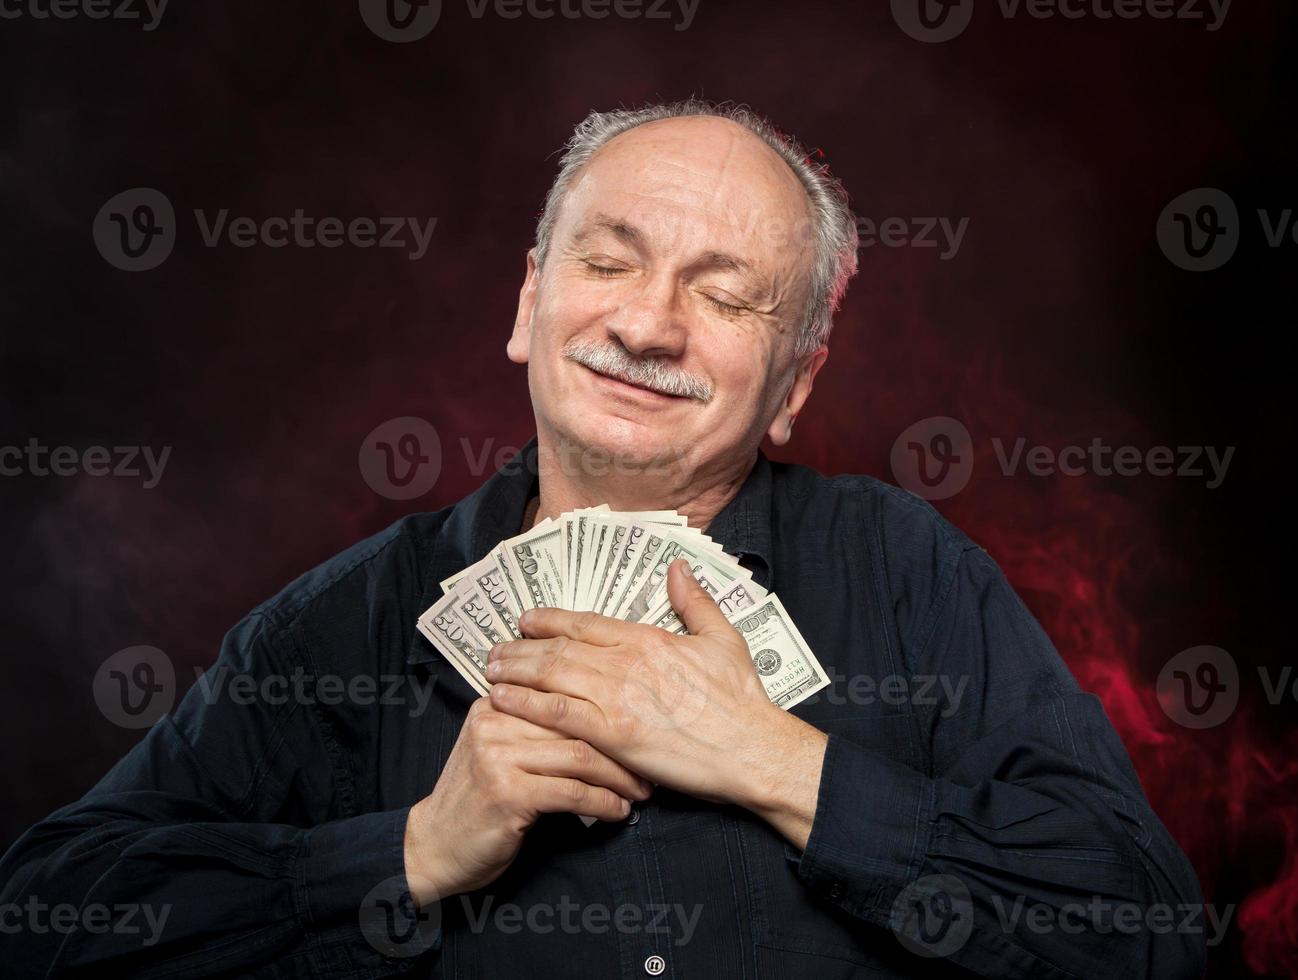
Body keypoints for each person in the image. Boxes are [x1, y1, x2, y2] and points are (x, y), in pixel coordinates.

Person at [0, 99, 1205, 978]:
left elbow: (1144, 935)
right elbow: (48, 918)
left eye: (726, 297)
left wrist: (772, 760)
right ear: (528, 304)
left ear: (793, 384)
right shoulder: (346, 620)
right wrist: (413, 849)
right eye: (607, 261)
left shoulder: (908, 572)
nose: (648, 322)